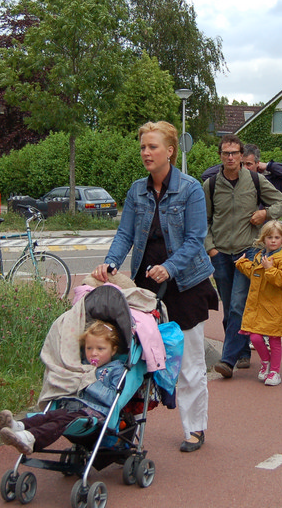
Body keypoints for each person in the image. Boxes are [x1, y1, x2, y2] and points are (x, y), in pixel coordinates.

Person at [91, 121, 217, 453]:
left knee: (189, 361)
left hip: (186, 284)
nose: (146, 153)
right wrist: (110, 263)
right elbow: (125, 234)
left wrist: (169, 268)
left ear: (170, 151)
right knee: (135, 359)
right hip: (145, 286)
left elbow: (195, 239)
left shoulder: (190, 189)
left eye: (153, 147)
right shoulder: (137, 190)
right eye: (143, 147)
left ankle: (194, 428)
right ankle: (125, 428)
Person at [205, 134, 282, 378]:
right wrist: (211, 248)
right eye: (226, 153)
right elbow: (203, 220)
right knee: (230, 307)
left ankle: (227, 360)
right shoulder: (211, 185)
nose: (230, 157)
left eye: (234, 153)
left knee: (238, 304)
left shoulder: (255, 180)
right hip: (220, 253)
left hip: (248, 252)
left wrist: (265, 214)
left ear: (242, 156)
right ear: (220, 156)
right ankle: (242, 352)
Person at [0, 320, 125, 454]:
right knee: (48, 416)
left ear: (113, 350)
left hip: (93, 413)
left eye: (100, 349)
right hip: (71, 406)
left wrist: (90, 383)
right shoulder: (81, 365)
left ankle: (30, 437)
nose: (93, 353)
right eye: (89, 348)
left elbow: (113, 398)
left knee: (60, 422)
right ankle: (18, 426)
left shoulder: (116, 369)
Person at [235, 220, 282, 386]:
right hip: (259, 307)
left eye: (277, 237)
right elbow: (254, 273)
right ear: (263, 239)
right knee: (255, 337)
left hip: (276, 308)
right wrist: (242, 263)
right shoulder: (260, 256)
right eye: (270, 237)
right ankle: (265, 362)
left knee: (274, 340)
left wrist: (270, 269)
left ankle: (275, 371)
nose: (273, 241)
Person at [201, 143, 282, 194]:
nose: (244, 168)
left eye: (249, 164)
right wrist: (230, 164)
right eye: (241, 164)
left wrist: (268, 166)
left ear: (257, 163)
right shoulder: (230, 180)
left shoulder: (270, 182)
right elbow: (206, 176)